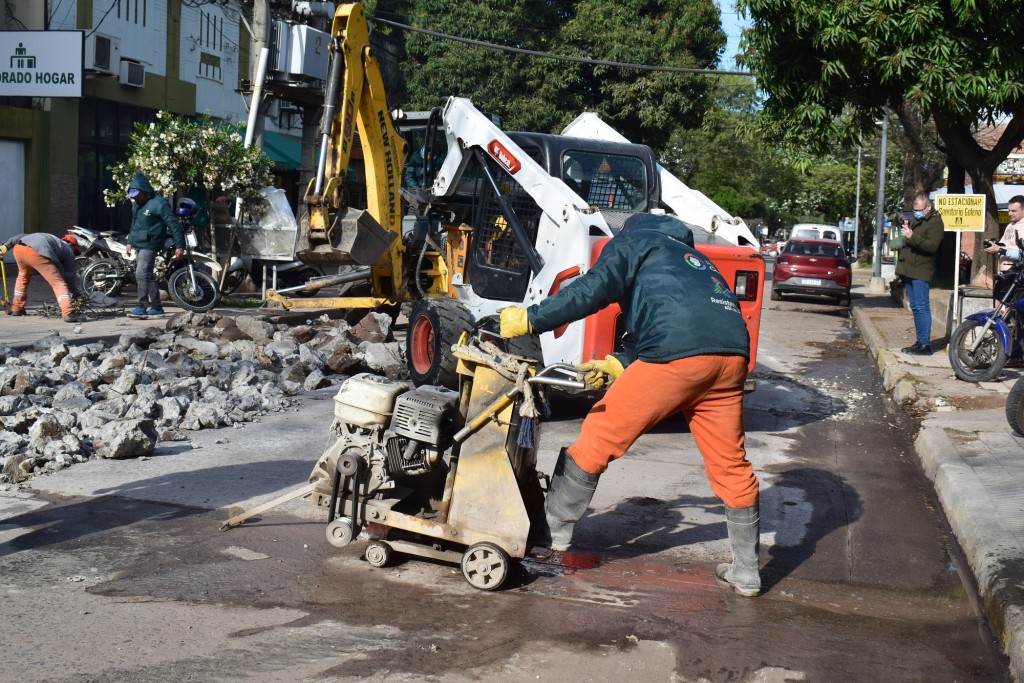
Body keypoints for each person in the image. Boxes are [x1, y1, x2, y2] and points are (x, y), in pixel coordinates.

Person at [499, 213, 761, 597]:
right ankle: (747, 572)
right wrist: (617, 364)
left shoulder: (635, 242)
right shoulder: (695, 260)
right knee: (730, 464)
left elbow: (593, 290)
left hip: (677, 356)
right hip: (731, 358)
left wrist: (531, 319)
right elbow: (673, 316)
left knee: (600, 432)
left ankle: (551, 532)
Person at [124, 172, 185, 318]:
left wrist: (179, 245)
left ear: (144, 191)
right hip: (139, 243)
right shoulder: (136, 205)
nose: (135, 199)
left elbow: (173, 224)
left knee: (140, 273)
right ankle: (157, 307)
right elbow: (134, 224)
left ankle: (141, 307)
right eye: (132, 196)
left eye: (137, 195)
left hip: (151, 243)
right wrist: (129, 241)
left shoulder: (159, 204)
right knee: (148, 275)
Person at [895, 193, 945, 355]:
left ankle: (925, 345)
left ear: (928, 207)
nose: (916, 212)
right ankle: (920, 341)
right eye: (914, 210)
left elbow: (932, 246)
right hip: (909, 269)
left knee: (922, 307)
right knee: (915, 307)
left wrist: (912, 236)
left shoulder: (935, 222)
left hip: (921, 270)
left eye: (919, 210)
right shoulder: (918, 219)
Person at [0, 232, 85, 322]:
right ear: (72, 244)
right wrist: (75, 292)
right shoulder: (68, 249)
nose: (74, 253)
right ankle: (68, 312)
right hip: (38, 252)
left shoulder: (50, 238)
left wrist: (5, 246)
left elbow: (21, 236)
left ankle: (17, 308)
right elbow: (69, 277)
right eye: (75, 251)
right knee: (58, 283)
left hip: (19, 249)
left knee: (23, 276)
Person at [985, 195, 1024, 272]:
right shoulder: (1010, 225)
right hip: (1006, 271)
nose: (1009, 214)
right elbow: (1005, 245)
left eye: (1013, 211)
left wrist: (1000, 250)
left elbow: (1022, 253)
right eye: (1009, 210)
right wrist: (993, 244)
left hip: (1018, 273)